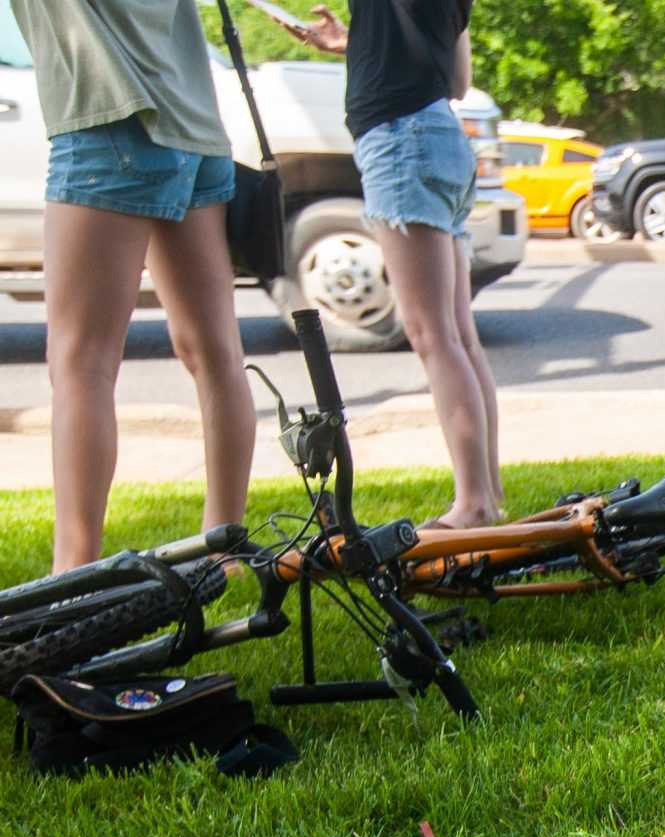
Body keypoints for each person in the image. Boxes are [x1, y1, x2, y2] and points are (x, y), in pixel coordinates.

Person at [13, 0, 255, 572]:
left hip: (110, 125)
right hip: (198, 133)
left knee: (80, 364)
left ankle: (73, 573)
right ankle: (224, 550)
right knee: (215, 352)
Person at [292, 0, 499, 529]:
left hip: (400, 141)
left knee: (433, 334)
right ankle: (486, 499)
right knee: (458, 336)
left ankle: (474, 505)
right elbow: (457, 80)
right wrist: (356, 43)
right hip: (438, 135)